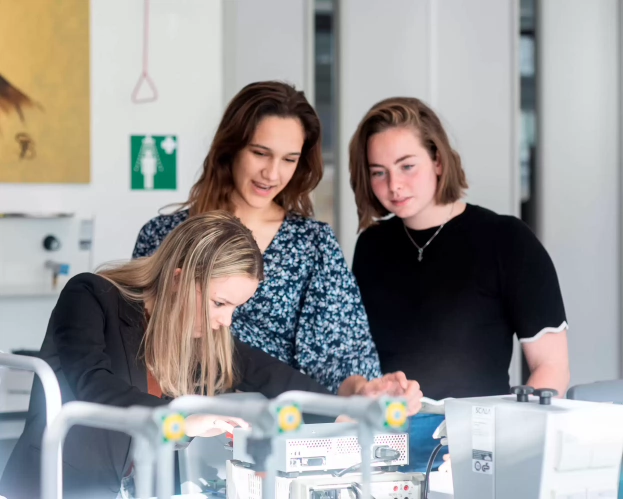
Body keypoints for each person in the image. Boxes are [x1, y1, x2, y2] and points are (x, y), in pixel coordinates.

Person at [0, 212, 420, 499]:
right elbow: (94, 386)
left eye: (235, 308)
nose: (225, 321)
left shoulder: (197, 334)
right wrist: (180, 417)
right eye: (220, 303)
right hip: (54, 484)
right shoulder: (91, 295)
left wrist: (345, 409)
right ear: (181, 280)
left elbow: (265, 374)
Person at [132, 81, 419, 400]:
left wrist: (363, 389)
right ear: (231, 148)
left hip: (283, 428)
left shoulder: (314, 245)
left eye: (289, 159)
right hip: (183, 425)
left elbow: (341, 356)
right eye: (260, 153)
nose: (271, 173)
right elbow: (137, 343)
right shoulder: (162, 235)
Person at [349, 97, 570, 471]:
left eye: (407, 166)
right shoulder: (370, 246)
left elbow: (552, 367)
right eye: (378, 172)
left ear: (437, 160)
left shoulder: (506, 240)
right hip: (386, 448)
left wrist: (503, 442)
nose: (394, 185)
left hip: (479, 443)